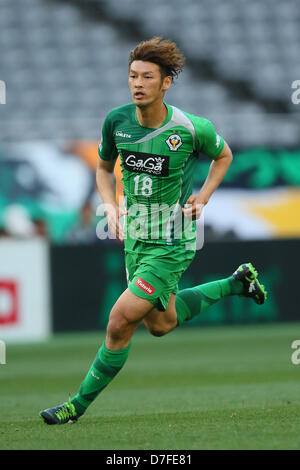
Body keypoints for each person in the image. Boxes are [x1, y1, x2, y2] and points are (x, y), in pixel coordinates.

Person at [40, 37, 267, 425]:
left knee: (119, 319)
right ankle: (236, 283)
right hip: (136, 238)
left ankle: (75, 406)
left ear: (166, 83)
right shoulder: (116, 121)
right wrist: (110, 206)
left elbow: (224, 155)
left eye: (147, 76)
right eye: (132, 76)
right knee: (160, 325)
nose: (137, 83)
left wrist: (204, 196)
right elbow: (102, 169)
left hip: (173, 241)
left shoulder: (190, 128)